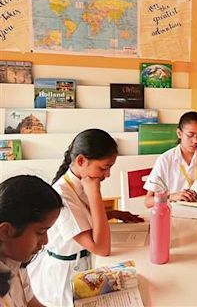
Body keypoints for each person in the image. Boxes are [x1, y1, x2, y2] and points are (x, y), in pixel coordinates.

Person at [28, 128, 143, 306]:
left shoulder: (80, 181)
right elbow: (101, 248)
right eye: (104, 168)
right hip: (64, 276)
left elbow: (85, 216)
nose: (107, 174)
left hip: (82, 264)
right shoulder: (63, 195)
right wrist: (95, 193)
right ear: (81, 160)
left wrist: (113, 213)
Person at [0, 175, 63, 307]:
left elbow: (31, 303)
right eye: (40, 232)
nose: (45, 241)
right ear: (5, 231)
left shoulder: (16, 261)